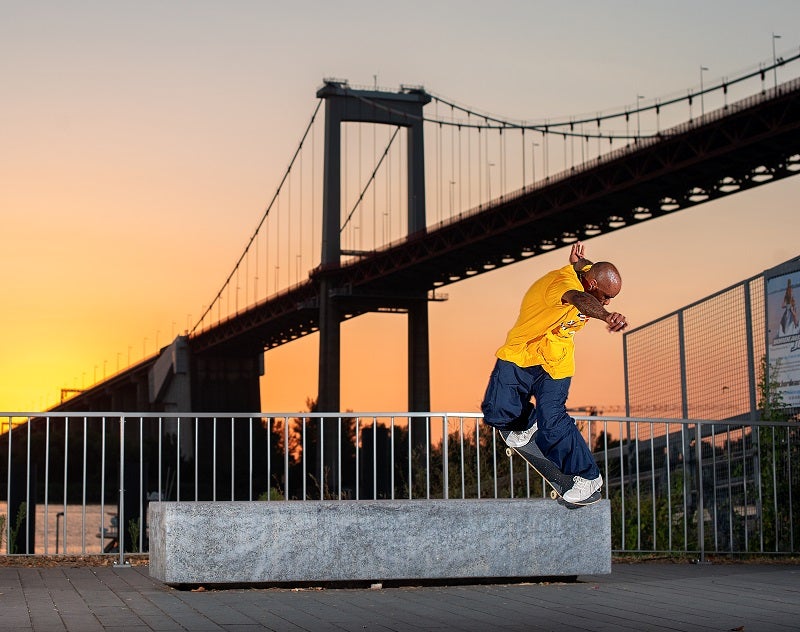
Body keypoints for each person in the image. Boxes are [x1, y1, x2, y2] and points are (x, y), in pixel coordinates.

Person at [480, 241, 628, 503]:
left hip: (555, 360)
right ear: (592, 285)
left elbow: (584, 266)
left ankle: (588, 476)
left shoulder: (588, 273)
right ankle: (526, 423)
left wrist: (577, 261)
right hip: (523, 352)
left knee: (553, 420)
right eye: (605, 296)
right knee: (496, 412)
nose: (606, 301)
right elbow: (579, 299)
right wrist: (605, 315)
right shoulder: (561, 286)